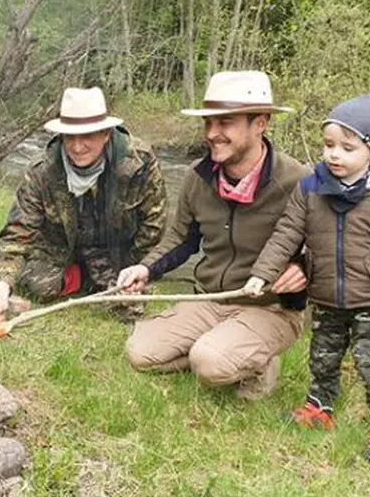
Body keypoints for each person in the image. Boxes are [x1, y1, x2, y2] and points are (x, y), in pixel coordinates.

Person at [243, 95, 370, 469]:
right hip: (326, 296)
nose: (334, 155)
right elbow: (286, 233)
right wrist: (262, 273)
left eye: (347, 147)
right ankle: (320, 407)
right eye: (329, 145)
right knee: (322, 357)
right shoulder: (311, 187)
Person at [117, 70, 309, 400]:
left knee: (210, 363)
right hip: (208, 299)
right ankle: (221, 347)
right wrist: (145, 269)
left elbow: (337, 248)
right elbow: (181, 238)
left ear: (260, 123)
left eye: (226, 123)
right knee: (140, 352)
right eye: (209, 123)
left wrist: (305, 268)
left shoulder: (299, 181)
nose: (212, 133)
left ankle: (253, 359)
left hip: (271, 308)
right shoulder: (197, 176)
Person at [0, 87, 167, 323]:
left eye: (87, 136)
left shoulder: (140, 162)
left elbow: (154, 225)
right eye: (70, 137)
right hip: (62, 252)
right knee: (37, 284)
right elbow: (16, 237)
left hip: (118, 253)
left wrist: (141, 270)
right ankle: (82, 278)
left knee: (126, 303)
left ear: (106, 134)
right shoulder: (42, 172)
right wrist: (1, 295)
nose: (77, 147)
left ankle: (105, 281)